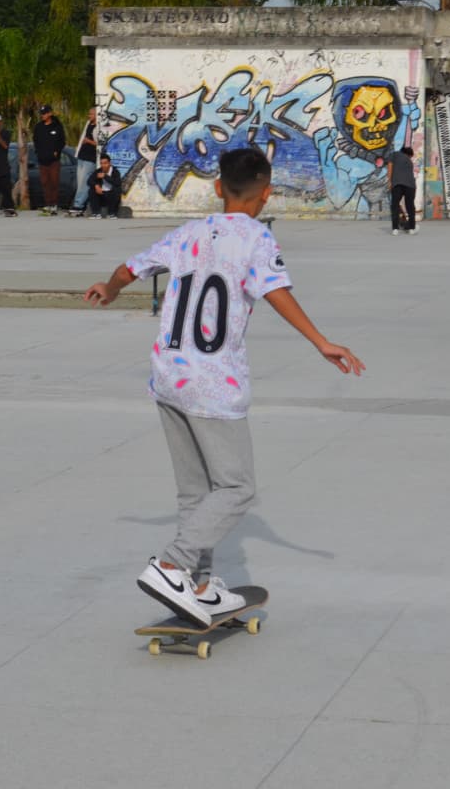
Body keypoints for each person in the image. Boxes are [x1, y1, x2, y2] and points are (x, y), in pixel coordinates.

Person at [82, 147, 364, 627]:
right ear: (267, 191)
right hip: (213, 383)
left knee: (196, 493)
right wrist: (320, 341)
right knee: (235, 488)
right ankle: (171, 566)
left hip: (169, 375)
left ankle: (199, 584)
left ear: (217, 188)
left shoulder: (188, 232)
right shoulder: (256, 238)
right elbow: (275, 290)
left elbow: (131, 269)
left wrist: (109, 289)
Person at [32, 104, 67, 214]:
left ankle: (54, 204)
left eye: (45, 113)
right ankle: (47, 204)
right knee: (45, 182)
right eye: (41, 114)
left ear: (50, 113)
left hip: (54, 161)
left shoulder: (57, 126)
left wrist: (57, 152)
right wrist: (38, 153)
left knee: (54, 182)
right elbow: (35, 141)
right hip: (42, 160)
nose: (43, 115)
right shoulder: (38, 127)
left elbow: (62, 141)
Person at [72, 107, 98, 216]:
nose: (89, 116)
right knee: (80, 182)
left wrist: (89, 141)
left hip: (90, 158)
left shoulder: (99, 127)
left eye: (91, 114)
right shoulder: (88, 124)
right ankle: (80, 204)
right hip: (82, 156)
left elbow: (100, 144)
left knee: (84, 182)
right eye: (89, 114)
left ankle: (78, 205)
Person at [388, 145, 416, 235]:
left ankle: (395, 229)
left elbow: (390, 166)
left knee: (395, 206)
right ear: (409, 154)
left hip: (397, 184)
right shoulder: (409, 162)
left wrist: (389, 181)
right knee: (410, 206)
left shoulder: (394, 154)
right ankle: (412, 228)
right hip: (410, 185)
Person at [88, 153, 121, 219]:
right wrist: (96, 185)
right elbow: (89, 181)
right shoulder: (98, 171)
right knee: (91, 190)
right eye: (101, 163)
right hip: (101, 195)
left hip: (111, 196)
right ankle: (96, 213)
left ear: (109, 163)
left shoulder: (115, 172)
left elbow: (117, 183)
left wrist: (105, 176)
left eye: (105, 163)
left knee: (117, 190)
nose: (103, 165)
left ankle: (112, 213)